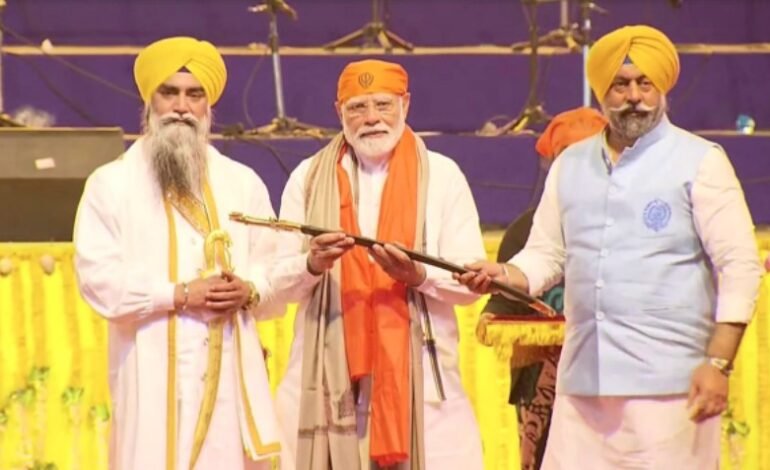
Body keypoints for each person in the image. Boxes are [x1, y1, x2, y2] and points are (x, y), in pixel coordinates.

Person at [458, 25, 762, 469]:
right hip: (583, 390)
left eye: (645, 83)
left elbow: (740, 265)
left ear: (662, 88)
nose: (633, 96)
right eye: (620, 85)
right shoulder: (571, 164)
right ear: (603, 91)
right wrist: (504, 274)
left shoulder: (699, 161)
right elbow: (547, 255)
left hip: (671, 390)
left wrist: (718, 363)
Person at [74, 37, 290, 470]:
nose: (181, 107)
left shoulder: (242, 182)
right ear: (149, 101)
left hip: (229, 377)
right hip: (148, 371)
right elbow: (97, 280)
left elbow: (276, 270)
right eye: (169, 92)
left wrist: (249, 290)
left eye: (195, 95)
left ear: (209, 105)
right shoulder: (111, 184)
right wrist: (178, 294)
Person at [269, 59, 486, 469]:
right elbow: (276, 288)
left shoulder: (443, 176)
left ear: (406, 104)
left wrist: (419, 276)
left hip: (423, 381)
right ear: (339, 112)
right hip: (326, 378)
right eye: (357, 107)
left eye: (383, 105)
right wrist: (311, 265)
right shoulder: (308, 178)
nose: (371, 118)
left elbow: (470, 283)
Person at [481, 107, 607, 470]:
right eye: (567, 157)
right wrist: (491, 315)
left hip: (613, 374)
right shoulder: (526, 231)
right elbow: (506, 304)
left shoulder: (629, 220)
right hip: (542, 386)